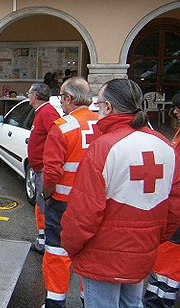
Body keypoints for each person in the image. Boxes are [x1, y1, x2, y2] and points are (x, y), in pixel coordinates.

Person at [61, 79, 180, 308]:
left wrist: (71, 245)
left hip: (101, 255)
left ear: (109, 107)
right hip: (142, 251)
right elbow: (174, 205)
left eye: (99, 104)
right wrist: (154, 239)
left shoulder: (104, 146)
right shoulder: (165, 145)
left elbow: (84, 212)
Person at [41, 77, 99, 308]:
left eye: (62, 98)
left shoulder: (62, 128)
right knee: (91, 252)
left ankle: (55, 302)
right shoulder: (103, 123)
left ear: (68, 98)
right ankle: (90, 300)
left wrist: (46, 194)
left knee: (57, 253)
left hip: (63, 203)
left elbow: (52, 172)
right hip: (95, 204)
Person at [144, 92, 180, 308]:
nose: (175, 112)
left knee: (167, 264)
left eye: (178, 108)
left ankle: (158, 302)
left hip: (176, 209)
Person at [26, 83, 60, 254]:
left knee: (44, 204)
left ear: (36, 96)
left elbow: (57, 136)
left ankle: (45, 240)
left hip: (45, 168)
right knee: (40, 203)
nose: (28, 96)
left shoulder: (47, 112)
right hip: (40, 167)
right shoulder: (42, 112)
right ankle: (42, 238)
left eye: (29, 93)